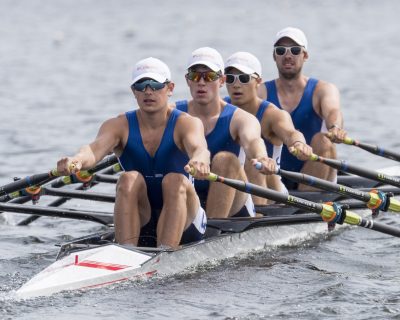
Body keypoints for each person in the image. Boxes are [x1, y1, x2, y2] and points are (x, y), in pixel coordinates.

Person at [57, 57, 211, 249]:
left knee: (175, 180)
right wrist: (76, 160)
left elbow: (200, 148)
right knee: (128, 178)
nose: (148, 91)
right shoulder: (118, 125)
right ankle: (126, 254)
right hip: (143, 216)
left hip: (187, 222)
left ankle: (166, 253)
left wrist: (199, 161)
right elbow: (93, 150)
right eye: (141, 85)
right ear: (133, 91)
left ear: (170, 88)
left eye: (155, 85)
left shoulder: (186, 123)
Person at [175, 47, 276, 219]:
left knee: (225, 160)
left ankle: (211, 230)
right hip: (186, 197)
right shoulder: (173, 114)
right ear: (187, 80)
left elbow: (252, 141)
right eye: (195, 76)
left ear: (222, 81)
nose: (201, 82)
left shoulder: (240, 118)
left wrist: (262, 157)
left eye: (209, 76)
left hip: (234, 204)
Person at [258, 27, 347, 190]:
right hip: (272, 177)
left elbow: (333, 111)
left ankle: (305, 207)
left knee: (324, 140)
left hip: (315, 174)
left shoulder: (323, 90)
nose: (288, 55)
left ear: (305, 55)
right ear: (274, 56)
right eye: (281, 50)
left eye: (295, 50)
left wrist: (335, 127)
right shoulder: (260, 92)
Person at [224, 51, 313, 204]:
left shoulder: (272, 114)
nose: (236, 85)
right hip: (234, 184)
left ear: (258, 81)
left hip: (272, 191)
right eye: (230, 79)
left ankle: (257, 218)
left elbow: (291, 134)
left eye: (244, 78)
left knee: (253, 162)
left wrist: (299, 144)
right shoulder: (219, 109)